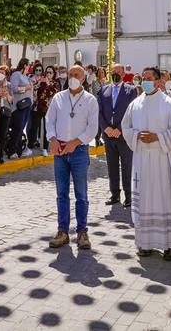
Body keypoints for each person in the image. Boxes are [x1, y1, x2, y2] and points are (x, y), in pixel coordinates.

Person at [120, 67, 171, 260]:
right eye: (143, 78)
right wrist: (136, 135)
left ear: (158, 82)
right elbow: (126, 127)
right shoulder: (135, 104)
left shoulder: (167, 103)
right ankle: (145, 244)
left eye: (149, 78)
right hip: (142, 159)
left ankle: (169, 246)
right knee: (145, 199)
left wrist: (158, 137)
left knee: (165, 197)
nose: (145, 82)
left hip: (162, 159)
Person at [46, 65, 99, 249]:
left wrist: (75, 142)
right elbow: (49, 120)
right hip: (59, 151)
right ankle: (62, 231)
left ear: (83, 78)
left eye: (76, 75)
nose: (72, 77)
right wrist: (52, 138)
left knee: (81, 194)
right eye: (70, 74)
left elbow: (92, 128)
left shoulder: (91, 100)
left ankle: (82, 232)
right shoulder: (58, 97)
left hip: (79, 152)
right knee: (61, 194)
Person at [98, 62, 137, 208]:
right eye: (113, 71)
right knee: (112, 166)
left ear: (122, 74)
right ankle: (114, 194)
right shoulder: (103, 90)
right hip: (108, 136)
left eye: (118, 71)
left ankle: (129, 196)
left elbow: (131, 111)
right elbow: (99, 112)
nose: (115, 74)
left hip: (124, 135)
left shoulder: (131, 90)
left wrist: (120, 128)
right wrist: (105, 128)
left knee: (127, 166)